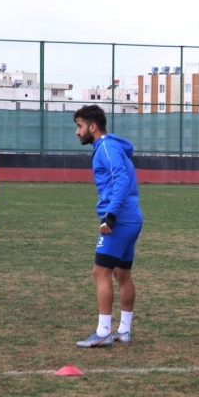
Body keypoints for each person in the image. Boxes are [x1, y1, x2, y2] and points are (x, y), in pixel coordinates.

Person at [73, 105, 143, 347]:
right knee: (122, 274)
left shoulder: (106, 146)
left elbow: (121, 178)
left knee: (100, 272)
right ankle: (123, 331)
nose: (77, 132)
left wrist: (110, 216)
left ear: (93, 127)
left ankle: (103, 333)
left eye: (79, 126)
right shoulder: (109, 146)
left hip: (120, 219)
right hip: (131, 217)